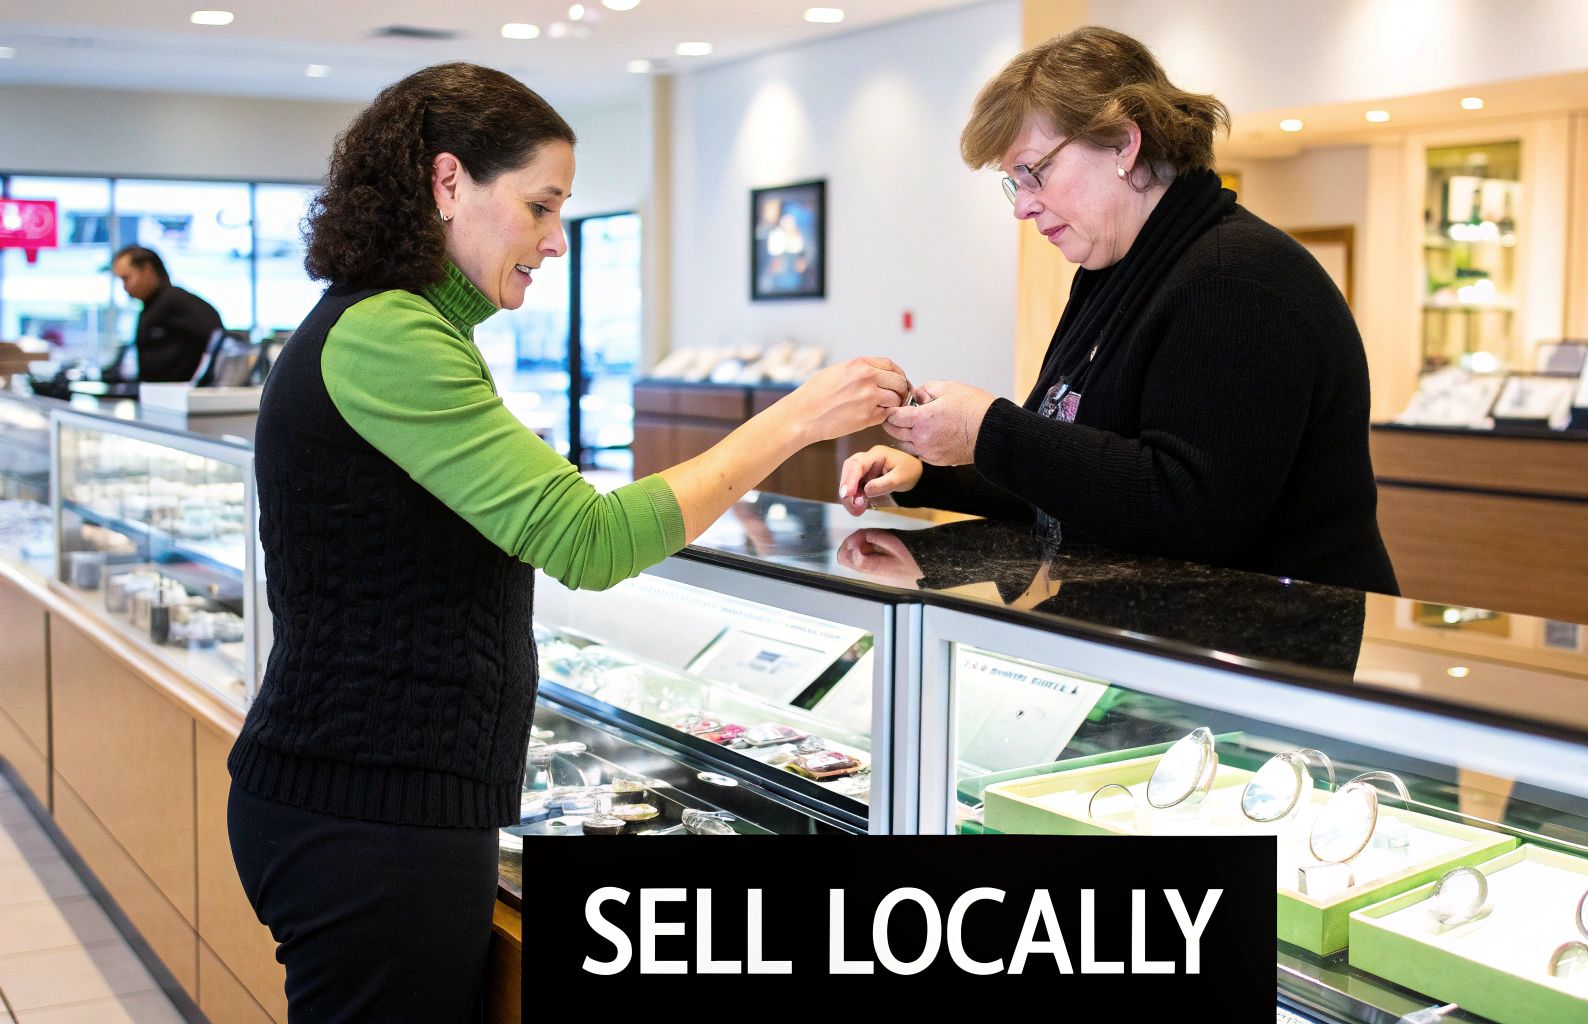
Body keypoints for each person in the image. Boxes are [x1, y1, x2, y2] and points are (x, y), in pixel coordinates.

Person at [225, 63, 906, 1023]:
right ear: (448, 180)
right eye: (541, 206)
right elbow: (589, 541)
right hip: (370, 822)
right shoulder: (388, 335)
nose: (555, 239)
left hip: (374, 805)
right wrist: (794, 420)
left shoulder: (411, 327)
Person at [839, 26, 1396, 595]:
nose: (1024, 207)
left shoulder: (1235, 279)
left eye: (1035, 172)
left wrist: (989, 430)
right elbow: (1077, 470)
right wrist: (931, 475)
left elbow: (1187, 508)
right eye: (1014, 184)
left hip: (1267, 654)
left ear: (1124, 145)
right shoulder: (1117, 271)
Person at [107, 245, 223, 381]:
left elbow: (218, 339)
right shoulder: (153, 306)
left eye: (126, 278)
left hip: (178, 395)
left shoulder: (178, 302)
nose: (125, 287)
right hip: (159, 394)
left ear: (147, 270)